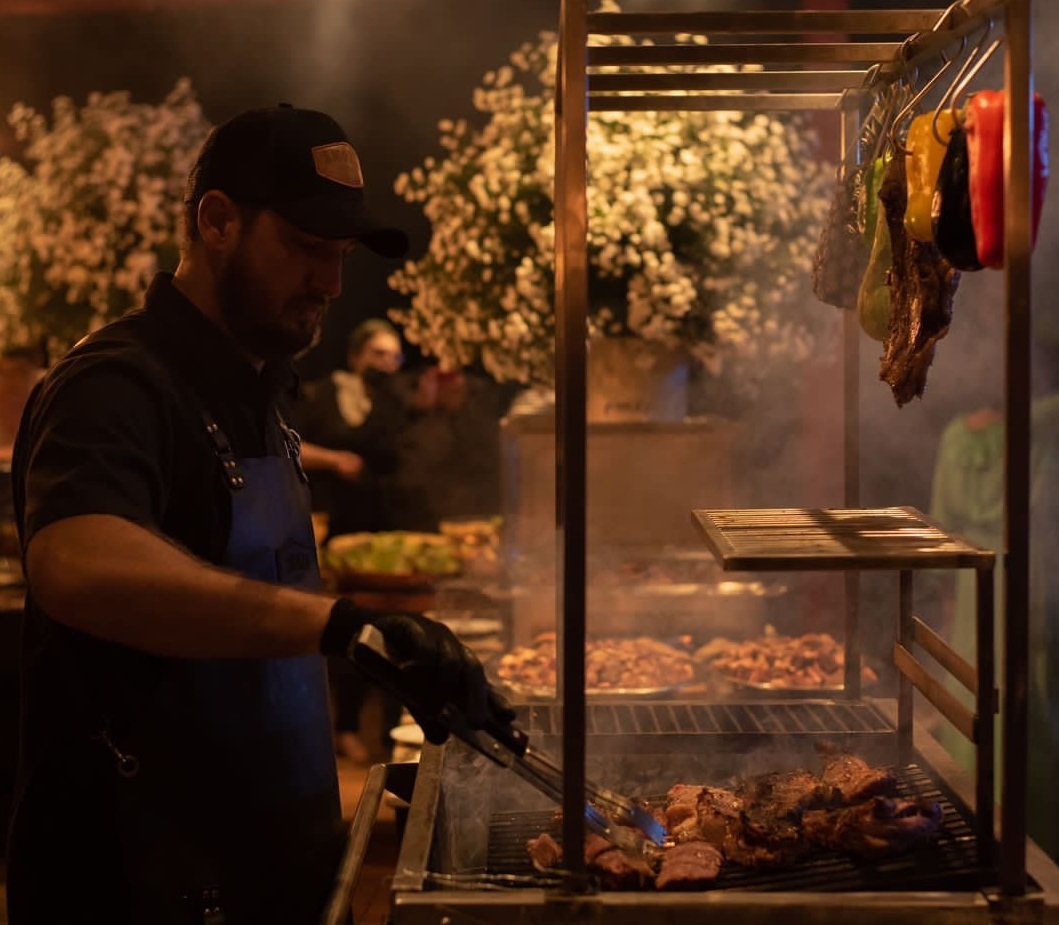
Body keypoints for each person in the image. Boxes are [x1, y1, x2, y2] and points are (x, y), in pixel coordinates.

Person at [5, 104, 514, 925]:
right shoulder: (113, 384)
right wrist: (341, 623)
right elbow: (77, 564)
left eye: (341, 255)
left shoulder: (265, 388)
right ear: (216, 220)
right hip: (141, 882)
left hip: (278, 862)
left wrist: (371, 646)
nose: (331, 284)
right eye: (307, 249)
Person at [296, 318, 406, 539]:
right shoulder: (318, 395)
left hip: (383, 528)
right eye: (379, 353)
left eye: (395, 357)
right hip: (326, 524)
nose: (387, 362)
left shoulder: (396, 404)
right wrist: (334, 460)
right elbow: (287, 448)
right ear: (355, 356)